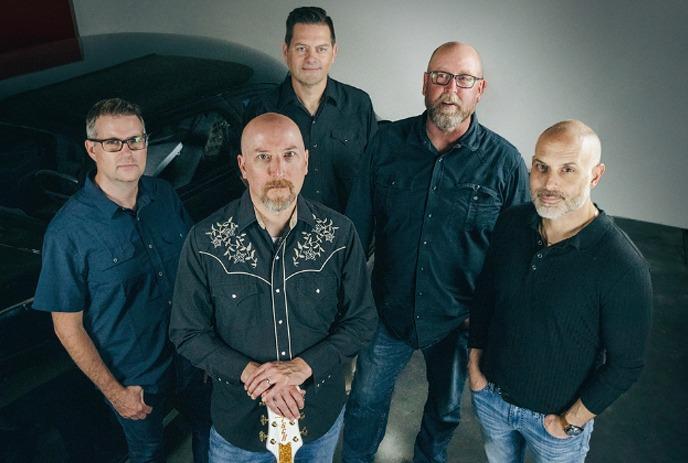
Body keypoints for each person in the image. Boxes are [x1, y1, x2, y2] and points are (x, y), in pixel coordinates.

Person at [343, 42, 530, 463]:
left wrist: (484, 317)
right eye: (441, 77)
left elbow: (514, 256)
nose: (451, 89)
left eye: (464, 80)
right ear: (425, 85)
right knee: (365, 401)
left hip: (457, 320)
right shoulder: (386, 144)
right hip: (388, 310)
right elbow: (356, 228)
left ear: (479, 90)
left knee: (444, 412)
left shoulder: (504, 163)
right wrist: (353, 301)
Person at [169, 112, 377, 462]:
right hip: (241, 430)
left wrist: (304, 366)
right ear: (243, 166)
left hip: (317, 421)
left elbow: (362, 321)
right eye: (263, 157)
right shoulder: (205, 240)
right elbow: (187, 332)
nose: (278, 170)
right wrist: (252, 375)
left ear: (306, 162)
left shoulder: (339, 235)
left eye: (289, 155)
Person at [32, 98, 211, 463]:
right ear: (92, 150)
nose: (127, 151)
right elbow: (68, 328)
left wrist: (209, 346)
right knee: (147, 453)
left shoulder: (163, 196)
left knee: (210, 431)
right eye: (113, 143)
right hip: (136, 381)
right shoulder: (68, 233)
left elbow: (196, 272)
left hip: (191, 359)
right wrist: (115, 393)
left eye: (135, 140)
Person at [468, 120, 653, 462]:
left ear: (595, 176)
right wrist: (476, 368)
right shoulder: (512, 223)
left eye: (568, 170)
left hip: (554, 425)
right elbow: (485, 297)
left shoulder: (621, 263)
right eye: (541, 167)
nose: (549, 183)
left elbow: (626, 364)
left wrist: (569, 422)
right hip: (492, 399)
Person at [244, 6, 377, 213]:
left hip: (349, 234)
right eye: (301, 48)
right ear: (286, 51)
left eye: (321, 49)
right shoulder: (262, 109)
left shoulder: (359, 104)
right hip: (287, 237)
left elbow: (374, 175)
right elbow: (249, 179)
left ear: (334, 52)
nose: (311, 58)